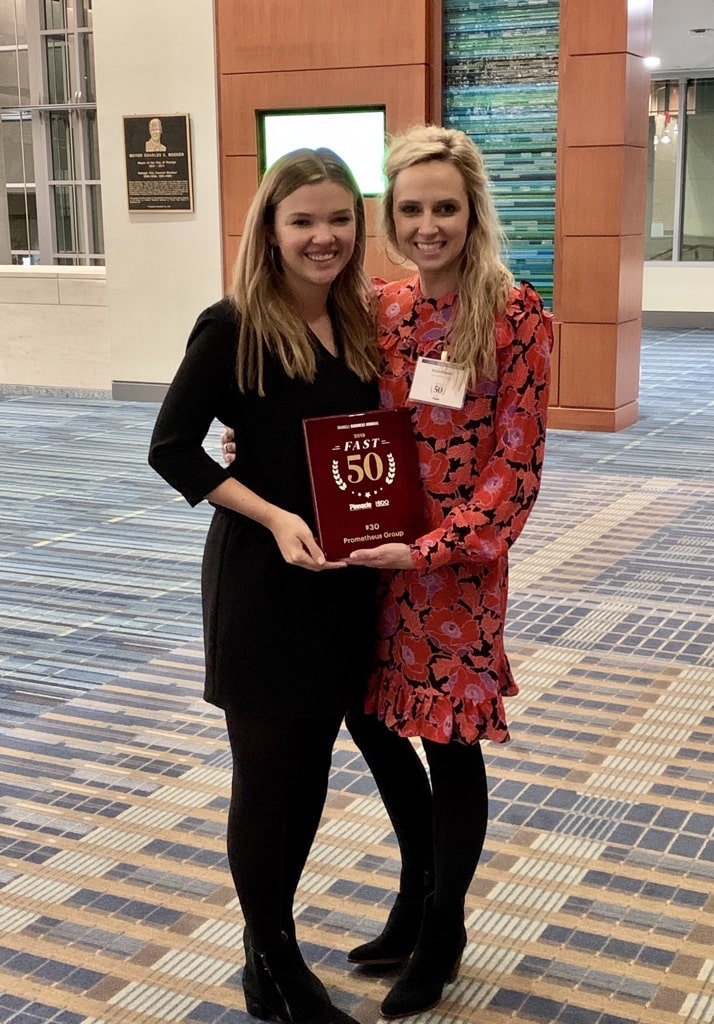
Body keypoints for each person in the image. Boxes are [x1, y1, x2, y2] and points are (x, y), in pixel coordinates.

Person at [223, 125, 553, 1020]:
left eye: (445, 206)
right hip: (371, 563)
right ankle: (414, 893)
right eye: (411, 208)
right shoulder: (382, 306)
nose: (428, 223)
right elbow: (331, 416)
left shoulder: (516, 313)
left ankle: (443, 927)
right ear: (391, 217)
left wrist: (435, 549)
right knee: (373, 726)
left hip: (454, 573)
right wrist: (247, 443)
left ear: (472, 210)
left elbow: (514, 470)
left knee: (450, 745)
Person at [148, 148, 382, 1024]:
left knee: (314, 770)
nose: (324, 237)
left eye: (339, 219)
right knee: (266, 775)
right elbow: (172, 449)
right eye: (303, 221)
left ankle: (261, 955)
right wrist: (275, 514)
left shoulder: (356, 322)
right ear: (271, 229)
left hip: (340, 578)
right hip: (263, 576)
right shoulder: (235, 322)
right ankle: (282, 960)